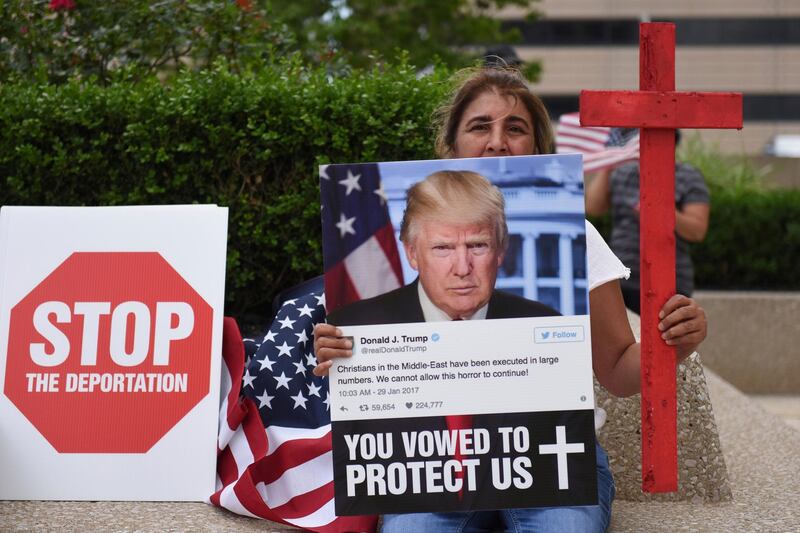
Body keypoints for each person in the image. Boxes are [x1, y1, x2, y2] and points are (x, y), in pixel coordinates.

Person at [314, 67, 708, 532]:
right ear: (452, 146)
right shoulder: (371, 312)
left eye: (515, 128)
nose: (498, 141)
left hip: (552, 458)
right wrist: (339, 357)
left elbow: (619, 371)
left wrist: (670, 345)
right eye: (480, 126)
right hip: (430, 463)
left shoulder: (565, 271)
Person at [585, 129, 711, 314]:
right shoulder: (623, 173)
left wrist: (660, 214)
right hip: (620, 278)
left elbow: (697, 230)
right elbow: (593, 207)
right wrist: (610, 159)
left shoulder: (688, 176)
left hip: (668, 280)